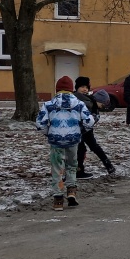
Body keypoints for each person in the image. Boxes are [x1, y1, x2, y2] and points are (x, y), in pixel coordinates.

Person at [35, 76, 95, 211]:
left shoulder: (49, 104)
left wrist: (49, 132)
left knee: (57, 169)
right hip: (73, 139)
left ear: (57, 89)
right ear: (70, 89)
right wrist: (79, 131)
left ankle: (58, 199)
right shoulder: (79, 103)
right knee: (72, 165)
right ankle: (72, 191)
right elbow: (89, 121)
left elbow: (40, 123)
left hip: (56, 140)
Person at [73, 77, 115, 178]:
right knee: (81, 149)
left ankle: (108, 165)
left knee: (92, 147)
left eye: (86, 87)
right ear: (77, 88)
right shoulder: (75, 99)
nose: (85, 89)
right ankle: (79, 170)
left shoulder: (89, 99)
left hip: (86, 129)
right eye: (82, 87)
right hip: (78, 129)